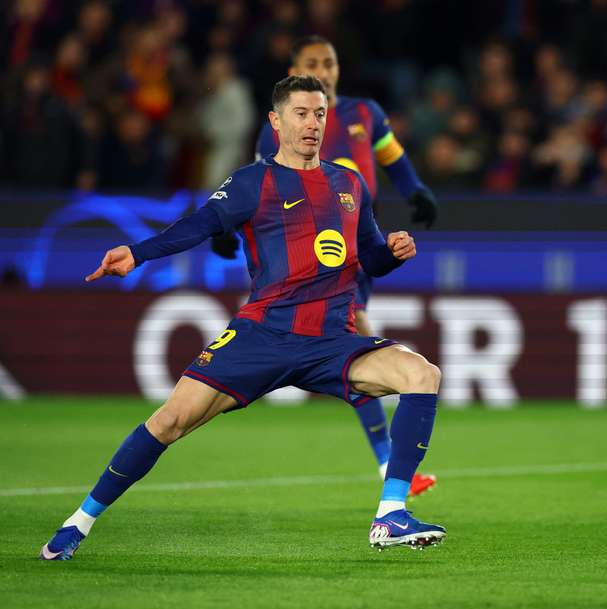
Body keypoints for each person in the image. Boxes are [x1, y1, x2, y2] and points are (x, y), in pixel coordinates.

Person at [40, 75, 445, 561]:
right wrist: (137, 252)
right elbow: (199, 225)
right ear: (276, 122)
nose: (313, 123)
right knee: (169, 422)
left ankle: (390, 514)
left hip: (332, 339)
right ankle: (77, 523)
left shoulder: (349, 184)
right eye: (301, 113)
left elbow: (370, 258)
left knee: (422, 373)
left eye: (319, 114)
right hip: (263, 335)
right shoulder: (254, 182)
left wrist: (393, 254)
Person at [247, 34, 439, 497]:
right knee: (356, 343)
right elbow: (256, 193)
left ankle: (389, 466)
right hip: (310, 250)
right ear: (293, 67)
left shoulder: (365, 114)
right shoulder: (277, 127)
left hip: (360, 239)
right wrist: (224, 234)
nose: (324, 69)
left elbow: (394, 158)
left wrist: (415, 190)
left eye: (329, 62)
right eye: (313, 62)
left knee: (356, 343)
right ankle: (390, 471)